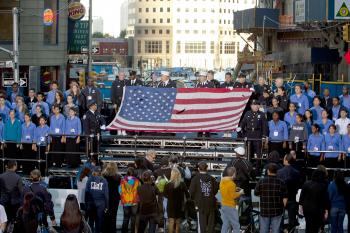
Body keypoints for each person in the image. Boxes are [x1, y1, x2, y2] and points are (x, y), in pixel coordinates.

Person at [254, 163, 288, 233]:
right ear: (277, 171)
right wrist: (283, 207)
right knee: (276, 230)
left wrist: (263, 195)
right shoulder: (281, 182)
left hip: (264, 210)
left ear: (268, 171)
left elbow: (256, 193)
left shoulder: (261, 181)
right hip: (277, 210)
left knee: (263, 230)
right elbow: (285, 196)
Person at [189, 161, 219, 233]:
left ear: (198, 169)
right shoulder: (212, 178)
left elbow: (191, 191)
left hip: (200, 204)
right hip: (211, 202)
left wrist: (195, 198)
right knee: (211, 224)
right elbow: (215, 190)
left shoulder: (195, 179)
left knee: (201, 225)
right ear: (207, 169)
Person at [277, 154, 301, 232]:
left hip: (281, 198)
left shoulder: (279, 172)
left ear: (286, 160)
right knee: (292, 219)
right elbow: (298, 185)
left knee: (280, 218)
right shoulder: (296, 172)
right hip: (292, 198)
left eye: (284, 159)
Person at [164, 167, 189, 233]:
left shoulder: (168, 184)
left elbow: (165, 195)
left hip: (170, 205)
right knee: (178, 222)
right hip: (179, 205)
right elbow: (187, 195)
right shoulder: (182, 184)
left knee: (171, 222)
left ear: (172, 174)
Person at [85, 166, 109, 233]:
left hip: (91, 204)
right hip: (101, 205)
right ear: (100, 172)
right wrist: (107, 206)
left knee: (91, 222)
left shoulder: (89, 179)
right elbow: (106, 195)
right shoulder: (104, 181)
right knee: (99, 222)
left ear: (94, 172)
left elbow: (86, 193)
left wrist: (86, 204)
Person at [220, 166, 243, 233]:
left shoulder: (222, 181)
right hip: (230, 206)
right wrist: (240, 192)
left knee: (225, 224)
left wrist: (235, 189)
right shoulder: (232, 184)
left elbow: (226, 190)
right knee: (236, 225)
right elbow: (233, 196)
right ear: (234, 173)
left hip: (223, 205)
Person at [119, 167, 140, 233]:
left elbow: (120, 190)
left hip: (125, 202)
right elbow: (139, 190)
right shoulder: (137, 181)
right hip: (134, 202)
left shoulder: (122, 180)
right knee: (133, 219)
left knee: (125, 218)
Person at [102, 162, 121, 233]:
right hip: (114, 199)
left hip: (105, 198)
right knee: (113, 216)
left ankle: (105, 230)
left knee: (105, 216)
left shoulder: (103, 176)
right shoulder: (118, 177)